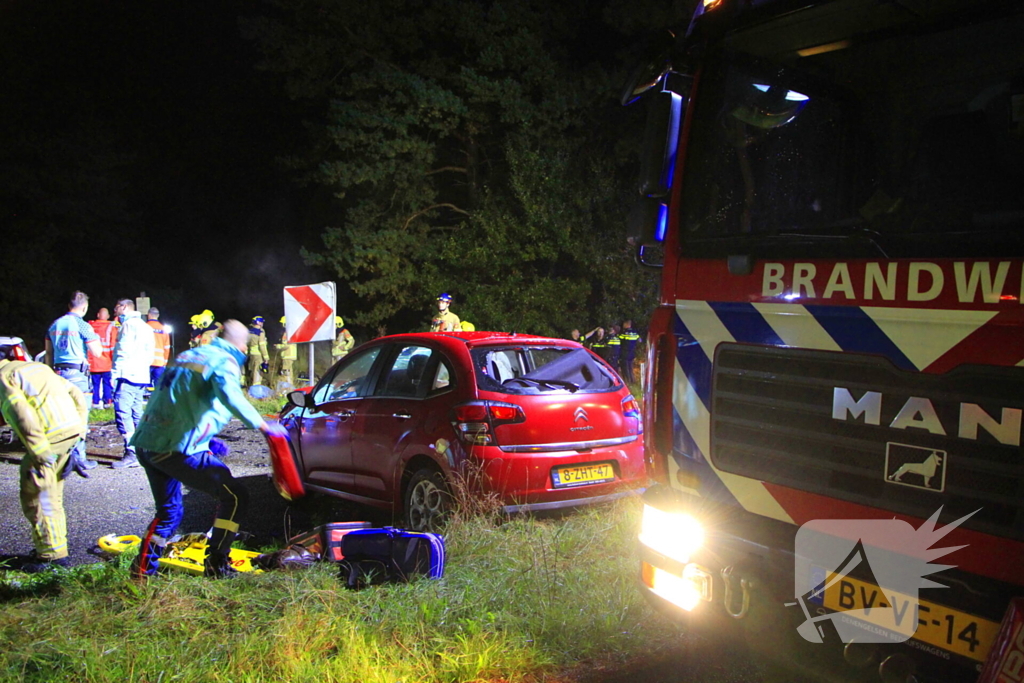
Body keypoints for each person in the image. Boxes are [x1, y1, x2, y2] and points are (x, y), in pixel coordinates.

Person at [130, 320, 282, 579]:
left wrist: (205, 439)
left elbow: (179, 399)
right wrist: (263, 426)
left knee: (168, 512)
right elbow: (230, 395)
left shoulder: (190, 354)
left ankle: (141, 572)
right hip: (175, 447)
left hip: (148, 442)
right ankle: (217, 564)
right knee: (235, 496)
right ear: (241, 345)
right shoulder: (224, 360)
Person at [0, 343, 89, 572]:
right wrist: (79, 431)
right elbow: (76, 393)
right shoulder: (34, 367)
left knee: (38, 498)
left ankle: (52, 558)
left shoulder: (3, 377)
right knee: (52, 495)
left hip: (48, 439)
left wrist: (39, 452)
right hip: (68, 433)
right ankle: (53, 549)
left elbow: (21, 414)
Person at [46, 290, 103, 473]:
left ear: (68, 305)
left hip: (58, 373)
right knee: (80, 415)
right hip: (78, 375)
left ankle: (61, 457)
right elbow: (97, 352)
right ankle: (80, 459)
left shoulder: (54, 324)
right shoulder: (82, 325)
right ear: (84, 307)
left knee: (61, 416)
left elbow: (48, 353)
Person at [110, 298, 155, 470]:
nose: (115, 312)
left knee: (123, 413)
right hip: (141, 375)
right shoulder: (145, 326)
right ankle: (144, 451)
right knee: (137, 414)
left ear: (125, 307)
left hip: (127, 375)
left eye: (117, 308)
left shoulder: (128, 326)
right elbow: (150, 353)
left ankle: (131, 453)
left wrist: (114, 374)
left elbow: (122, 351)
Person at [88, 307, 117, 409]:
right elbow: (113, 345)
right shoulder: (111, 327)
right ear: (108, 316)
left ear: (98, 315)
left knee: (95, 385)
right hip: (107, 362)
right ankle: (107, 403)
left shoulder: (90, 326)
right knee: (107, 384)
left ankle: (95, 403)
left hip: (93, 362)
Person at [146, 307, 171, 390]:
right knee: (159, 384)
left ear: (149, 315)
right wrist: (165, 362)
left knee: (146, 381)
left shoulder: (144, 327)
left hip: (147, 360)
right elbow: (167, 347)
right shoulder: (163, 329)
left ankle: (146, 395)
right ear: (158, 315)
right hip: (160, 361)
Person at [245, 316, 270, 386]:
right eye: (261, 322)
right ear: (258, 323)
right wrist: (266, 358)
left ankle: (249, 385)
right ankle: (256, 389)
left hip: (251, 353)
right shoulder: (261, 332)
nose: (262, 324)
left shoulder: (249, 331)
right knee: (258, 372)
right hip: (258, 354)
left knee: (252, 370)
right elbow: (262, 346)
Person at [275, 317, 296, 386]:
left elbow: (286, 345)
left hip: (287, 356)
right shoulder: (292, 332)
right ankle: (290, 387)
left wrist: (278, 346)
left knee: (285, 373)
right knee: (289, 373)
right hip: (291, 355)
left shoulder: (286, 333)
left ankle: (286, 388)